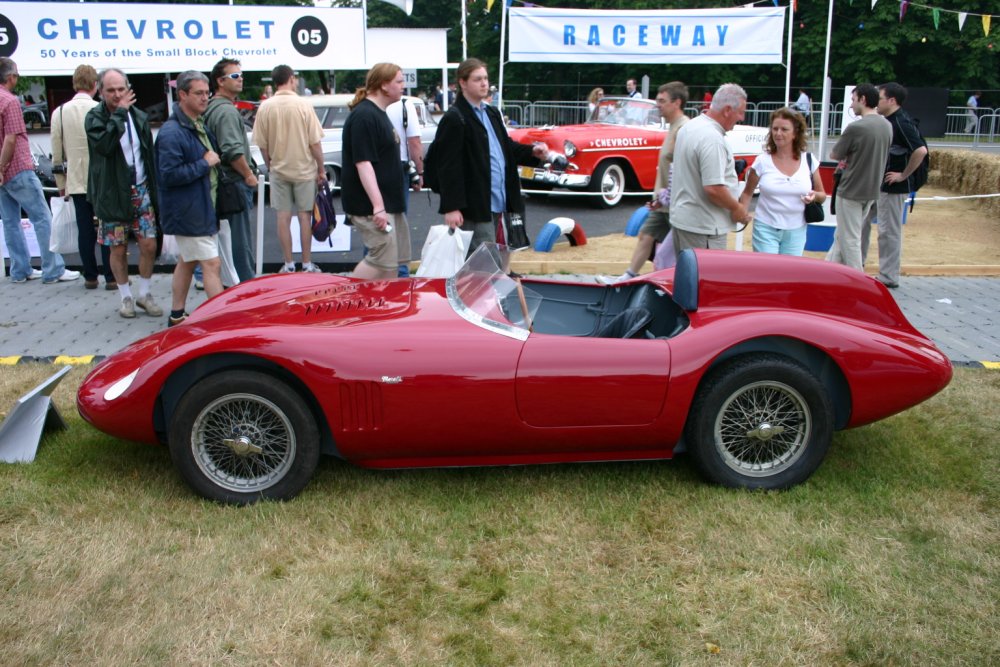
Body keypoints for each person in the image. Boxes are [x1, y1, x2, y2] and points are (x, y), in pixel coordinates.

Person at [433, 58, 547, 256]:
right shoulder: (455, 117)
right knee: (484, 261)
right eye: (477, 79)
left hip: (499, 200)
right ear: (463, 82)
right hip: (475, 205)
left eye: (485, 78)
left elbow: (505, 148)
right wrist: (451, 207)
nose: (484, 83)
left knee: (498, 256)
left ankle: (495, 276)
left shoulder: (491, 113)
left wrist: (531, 152)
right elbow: (448, 166)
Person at [85, 68, 161, 318]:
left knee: (149, 244)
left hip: (141, 188)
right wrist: (119, 114)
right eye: (111, 90)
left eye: (121, 89)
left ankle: (144, 293)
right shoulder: (94, 117)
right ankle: (125, 296)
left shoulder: (137, 116)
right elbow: (105, 146)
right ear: (100, 91)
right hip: (112, 193)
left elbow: (147, 154)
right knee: (117, 248)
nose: (117, 95)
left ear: (128, 89)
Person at [0, 58, 80, 285]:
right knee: (42, 218)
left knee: (10, 221)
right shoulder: (10, 101)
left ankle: (20, 270)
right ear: (11, 77)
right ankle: (53, 269)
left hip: (3, 174)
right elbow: (11, 139)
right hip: (17, 167)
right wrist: (2, 166)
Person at [155, 71, 223, 327]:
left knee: (188, 260)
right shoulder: (172, 132)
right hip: (189, 211)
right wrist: (204, 164)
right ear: (182, 95)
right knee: (211, 264)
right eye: (199, 93)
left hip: (198, 207)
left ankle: (176, 314)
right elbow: (168, 175)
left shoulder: (195, 124)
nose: (205, 98)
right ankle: (222, 322)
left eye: (207, 93)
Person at [605, 81, 689, 283]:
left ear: (677, 102)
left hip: (676, 204)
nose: (657, 105)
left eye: (662, 101)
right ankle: (628, 278)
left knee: (676, 252)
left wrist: (667, 196)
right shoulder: (673, 127)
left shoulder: (683, 129)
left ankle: (672, 284)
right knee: (646, 235)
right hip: (663, 202)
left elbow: (683, 170)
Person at [252, 64, 326, 274]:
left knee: (282, 218)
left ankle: (288, 263)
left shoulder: (265, 107)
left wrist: (270, 165)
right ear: (292, 79)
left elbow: (262, 145)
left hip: (278, 170)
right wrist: (321, 169)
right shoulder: (303, 105)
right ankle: (307, 263)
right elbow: (315, 143)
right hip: (304, 170)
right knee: (304, 217)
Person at [668, 83, 752, 257]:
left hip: (686, 221)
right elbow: (713, 188)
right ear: (727, 110)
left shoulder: (690, 127)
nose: (742, 118)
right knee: (704, 274)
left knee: (686, 272)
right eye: (740, 112)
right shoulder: (712, 139)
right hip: (704, 227)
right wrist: (737, 208)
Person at [861, 82, 929, 289]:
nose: (876, 102)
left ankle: (889, 276)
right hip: (880, 184)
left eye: (880, 98)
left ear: (891, 100)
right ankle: (856, 265)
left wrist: (903, 175)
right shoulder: (890, 121)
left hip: (893, 187)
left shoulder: (901, 122)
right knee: (862, 222)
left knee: (888, 231)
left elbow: (920, 150)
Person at [341, 63, 406, 280]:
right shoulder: (364, 116)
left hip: (385, 204)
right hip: (369, 206)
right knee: (381, 257)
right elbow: (363, 163)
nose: (403, 86)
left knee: (390, 262)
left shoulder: (377, 113)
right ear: (384, 85)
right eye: (399, 81)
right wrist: (378, 206)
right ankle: (347, 294)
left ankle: (387, 301)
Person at [53, 65, 114, 289]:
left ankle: (90, 276)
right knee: (106, 227)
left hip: (76, 178)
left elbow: (57, 154)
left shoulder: (60, 112)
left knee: (84, 229)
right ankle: (111, 276)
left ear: (74, 83)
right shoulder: (102, 109)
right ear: (95, 85)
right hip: (102, 177)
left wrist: (61, 184)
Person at [738, 107, 825, 256]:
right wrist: (742, 212)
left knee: (791, 270)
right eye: (775, 129)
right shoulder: (762, 161)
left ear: (795, 133)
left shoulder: (809, 160)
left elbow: (822, 195)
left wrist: (814, 196)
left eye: (784, 129)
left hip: (796, 230)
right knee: (768, 269)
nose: (778, 133)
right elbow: (747, 193)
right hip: (765, 227)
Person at [825, 84, 892, 273]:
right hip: (871, 190)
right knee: (843, 235)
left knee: (850, 239)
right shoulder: (887, 126)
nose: (851, 105)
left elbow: (835, 154)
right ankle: (829, 272)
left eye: (853, 100)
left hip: (851, 189)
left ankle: (857, 278)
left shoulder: (856, 127)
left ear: (863, 99)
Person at [204, 57, 258, 284]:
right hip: (233, 183)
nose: (240, 79)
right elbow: (232, 151)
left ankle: (230, 284)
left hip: (222, 183)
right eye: (234, 76)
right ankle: (246, 287)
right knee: (239, 241)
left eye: (241, 75)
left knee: (225, 241)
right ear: (220, 81)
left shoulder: (212, 108)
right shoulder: (225, 111)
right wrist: (248, 175)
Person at [385, 93, 424, 277]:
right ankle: (400, 271)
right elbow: (414, 142)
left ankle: (378, 268)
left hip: (375, 166)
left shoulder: (367, 104)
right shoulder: (404, 105)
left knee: (378, 220)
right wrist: (419, 172)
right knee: (399, 221)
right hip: (399, 166)